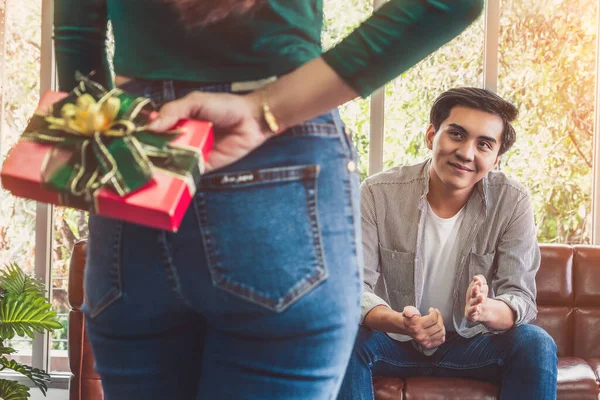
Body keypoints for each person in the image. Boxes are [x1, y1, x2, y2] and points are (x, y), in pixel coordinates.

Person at [54, 1, 484, 399]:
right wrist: (266, 111)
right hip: (280, 162)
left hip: (138, 163)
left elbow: (77, 36)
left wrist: (102, 147)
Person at [336, 87, 558, 400]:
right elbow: (353, 288)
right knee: (339, 338)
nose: (467, 153)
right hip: (394, 341)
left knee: (535, 343)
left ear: (495, 159)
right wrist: (402, 323)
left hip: (471, 345)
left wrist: (485, 309)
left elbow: (521, 297)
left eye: (484, 144)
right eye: (456, 134)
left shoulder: (513, 200)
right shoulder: (377, 192)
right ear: (431, 136)